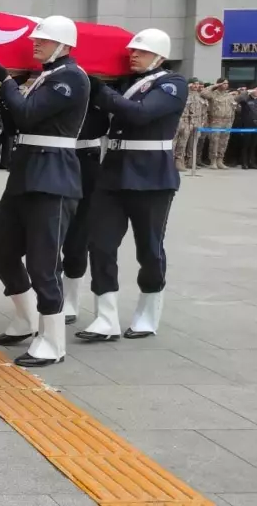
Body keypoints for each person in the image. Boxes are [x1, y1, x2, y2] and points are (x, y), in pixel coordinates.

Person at [0, 15, 90, 368]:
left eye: (45, 39)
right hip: (26, 173)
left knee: (44, 263)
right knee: (2, 252)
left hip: (53, 176)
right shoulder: (44, 77)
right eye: (36, 39)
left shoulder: (71, 77)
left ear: (66, 45)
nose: (36, 43)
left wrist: (8, 82)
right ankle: (26, 319)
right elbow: (17, 124)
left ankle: (53, 339)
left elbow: (27, 115)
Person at [77, 28, 186, 342]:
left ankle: (148, 314)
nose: (132, 54)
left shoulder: (171, 83)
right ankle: (105, 317)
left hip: (151, 177)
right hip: (112, 174)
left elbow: (141, 115)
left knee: (149, 249)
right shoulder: (124, 84)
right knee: (99, 245)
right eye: (132, 50)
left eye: (141, 51)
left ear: (160, 55)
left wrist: (101, 91)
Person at [60, 78, 111, 325]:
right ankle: (52, 292)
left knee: (78, 235)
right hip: (54, 157)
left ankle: (71, 298)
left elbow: (101, 125)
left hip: (85, 160)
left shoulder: (97, 88)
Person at [202, 79, 237, 169]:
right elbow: (203, 94)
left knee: (224, 142)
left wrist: (231, 121)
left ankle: (220, 160)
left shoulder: (229, 96)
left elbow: (233, 109)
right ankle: (213, 161)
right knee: (214, 141)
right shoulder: (213, 94)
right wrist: (214, 86)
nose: (225, 85)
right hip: (216, 121)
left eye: (227, 83)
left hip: (227, 121)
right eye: (223, 83)